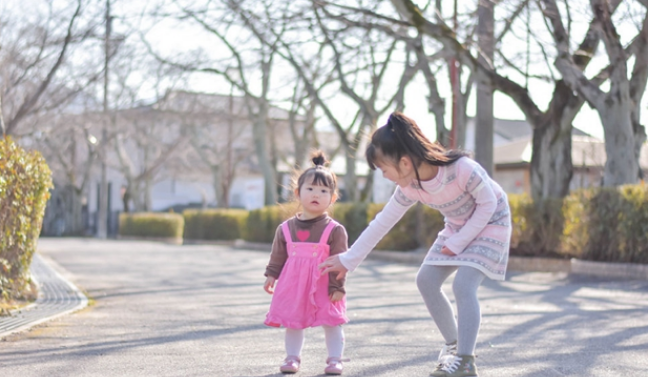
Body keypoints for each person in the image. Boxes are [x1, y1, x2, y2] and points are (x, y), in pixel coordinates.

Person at [319, 112, 512, 377]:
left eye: (384, 169)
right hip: (457, 226)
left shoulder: (462, 169)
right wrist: (349, 259)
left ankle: (466, 361)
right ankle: (455, 347)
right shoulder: (409, 187)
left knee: (463, 285)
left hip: (492, 222)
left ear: (405, 163)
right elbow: (382, 222)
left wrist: (458, 242)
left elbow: (489, 204)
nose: (385, 176)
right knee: (426, 281)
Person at [264, 151, 350, 375]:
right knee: (294, 322)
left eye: (323, 191)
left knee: (331, 321)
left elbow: (339, 261)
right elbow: (278, 256)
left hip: (324, 283)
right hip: (294, 284)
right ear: (297, 193)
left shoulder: (335, 230)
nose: (316, 194)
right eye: (310, 188)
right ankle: (292, 357)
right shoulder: (285, 228)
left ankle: (334, 359)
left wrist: (337, 287)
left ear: (332, 198)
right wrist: (271, 275)